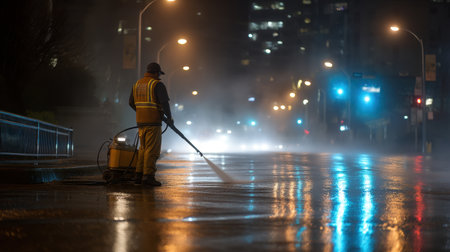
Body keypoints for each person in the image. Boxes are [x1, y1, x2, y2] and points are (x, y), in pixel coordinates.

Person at [129, 62, 173, 186]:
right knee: (151, 150)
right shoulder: (157, 84)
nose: (159, 76)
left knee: (142, 149)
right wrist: (169, 118)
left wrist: (142, 112)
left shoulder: (137, 84)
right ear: (155, 72)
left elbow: (131, 102)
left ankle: (139, 174)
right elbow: (164, 103)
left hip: (141, 122)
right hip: (153, 122)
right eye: (159, 74)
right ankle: (148, 176)